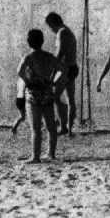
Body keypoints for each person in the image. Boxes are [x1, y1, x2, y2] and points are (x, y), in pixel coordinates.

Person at [17, 29, 65, 163]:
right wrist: (53, 81)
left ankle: (35, 156)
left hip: (33, 94)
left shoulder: (28, 57)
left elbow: (19, 71)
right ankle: (51, 154)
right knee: (51, 126)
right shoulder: (49, 57)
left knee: (35, 128)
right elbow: (62, 69)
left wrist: (28, 81)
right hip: (47, 92)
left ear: (28, 42)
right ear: (42, 41)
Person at [45, 12, 78, 136]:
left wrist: (52, 73)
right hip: (72, 67)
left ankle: (63, 126)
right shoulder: (68, 31)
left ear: (52, 24)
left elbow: (59, 55)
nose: (51, 30)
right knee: (70, 99)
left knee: (54, 97)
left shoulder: (61, 32)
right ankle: (68, 129)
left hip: (65, 69)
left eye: (50, 27)